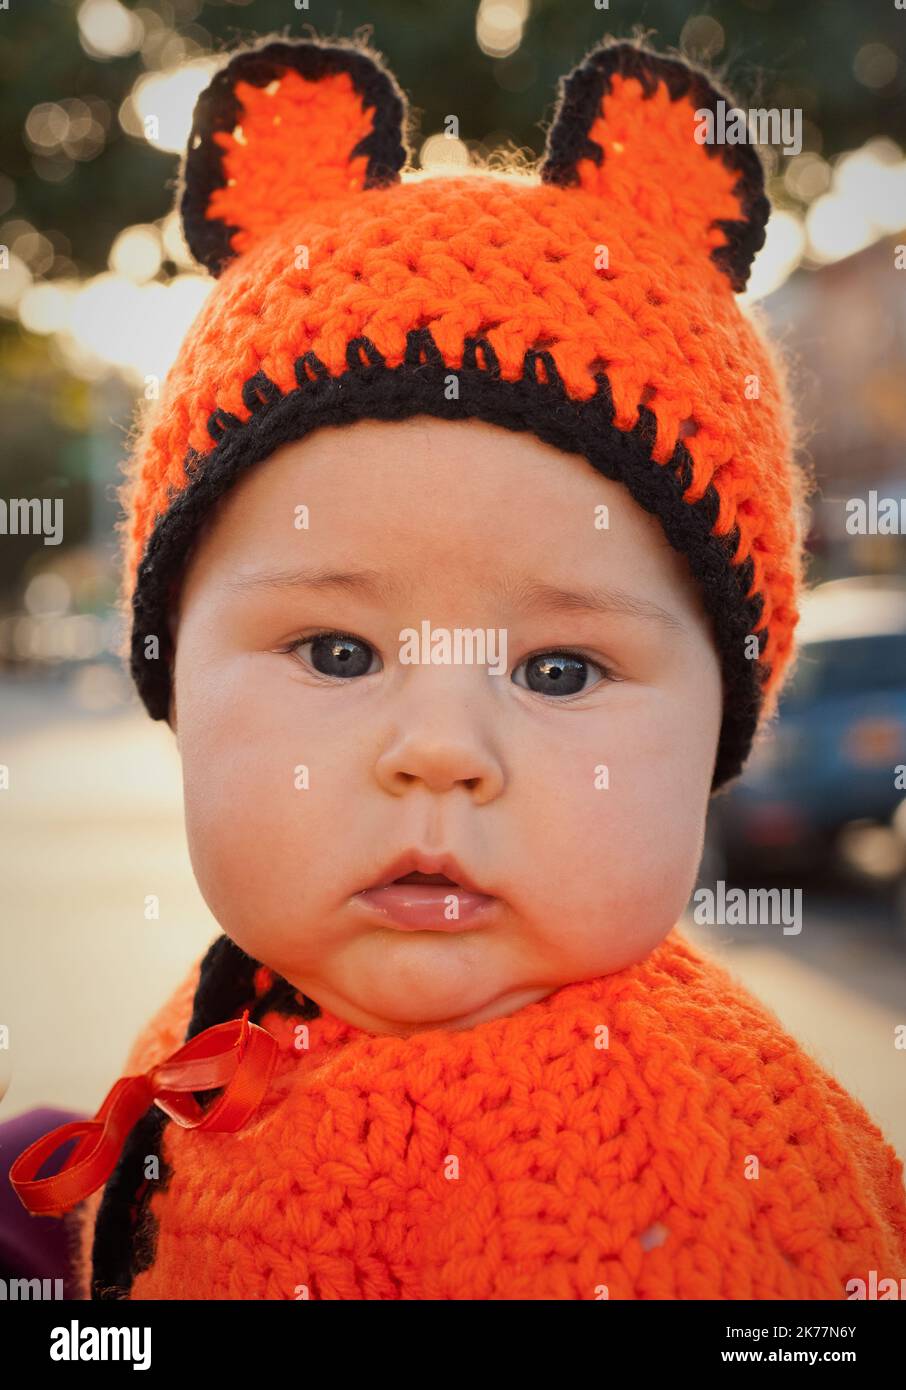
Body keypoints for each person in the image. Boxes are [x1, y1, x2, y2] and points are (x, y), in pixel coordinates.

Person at [9, 31, 906, 1300]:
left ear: (721, 724)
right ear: (171, 678)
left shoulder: (678, 1180)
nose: (438, 749)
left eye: (558, 671)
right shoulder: (237, 1015)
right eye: (335, 650)